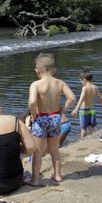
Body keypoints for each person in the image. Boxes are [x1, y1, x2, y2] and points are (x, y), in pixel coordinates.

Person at [27, 53, 75, 186]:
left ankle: (35, 179)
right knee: (54, 149)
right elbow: (72, 98)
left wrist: (33, 115)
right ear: (53, 69)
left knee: (37, 151)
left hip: (41, 118)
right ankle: (58, 176)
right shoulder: (60, 83)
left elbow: (31, 102)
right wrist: (62, 109)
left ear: (37, 70)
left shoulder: (36, 84)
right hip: (55, 118)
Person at [71, 70, 102, 138]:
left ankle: (81, 141)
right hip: (92, 110)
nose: (81, 82)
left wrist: (76, 109)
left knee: (83, 128)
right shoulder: (95, 87)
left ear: (84, 79)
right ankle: (94, 139)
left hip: (84, 110)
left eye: (81, 81)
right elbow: (100, 98)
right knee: (91, 127)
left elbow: (81, 99)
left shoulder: (84, 88)